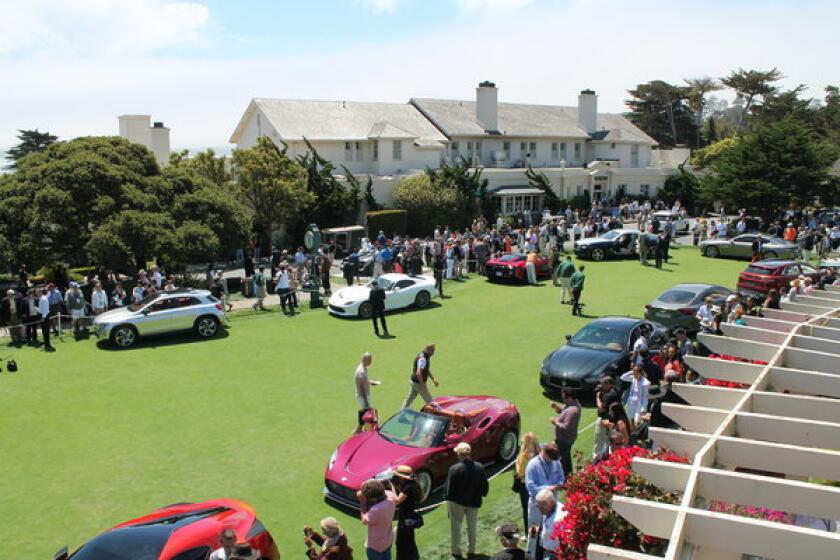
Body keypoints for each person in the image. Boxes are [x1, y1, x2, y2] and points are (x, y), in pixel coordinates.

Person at [445, 442, 489, 560]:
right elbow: (485, 488)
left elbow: (449, 491)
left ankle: (456, 552)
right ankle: (471, 551)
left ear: (459, 454)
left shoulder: (454, 469)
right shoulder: (479, 467)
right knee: (472, 527)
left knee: (456, 527)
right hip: (473, 503)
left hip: (457, 503)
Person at [524, 443, 564, 529]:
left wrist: (560, 484)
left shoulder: (556, 461)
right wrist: (548, 488)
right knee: (534, 530)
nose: (553, 461)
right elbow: (530, 488)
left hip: (552, 502)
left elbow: (561, 477)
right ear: (544, 453)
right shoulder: (532, 465)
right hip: (537, 506)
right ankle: (533, 543)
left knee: (552, 528)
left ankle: (545, 542)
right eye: (551, 458)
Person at [358, 479, 397, 560]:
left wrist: (362, 502)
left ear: (373, 499)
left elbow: (364, 520)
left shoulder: (376, 510)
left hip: (375, 546)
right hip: (388, 539)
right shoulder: (391, 496)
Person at [391, 466, 423, 560]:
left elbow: (397, 500)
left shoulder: (408, 487)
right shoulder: (410, 485)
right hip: (408, 516)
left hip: (405, 519)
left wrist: (391, 487)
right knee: (409, 540)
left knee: (402, 542)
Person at [511, 432, 541, 531]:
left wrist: (516, 464)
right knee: (539, 510)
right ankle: (539, 531)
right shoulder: (540, 454)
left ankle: (530, 535)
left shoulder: (523, 456)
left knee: (527, 511)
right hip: (539, 486)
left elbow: (520, 474)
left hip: (526, 487)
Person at [550, 389, 581, 477]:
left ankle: (567, 477)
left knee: (564, 459)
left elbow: (566, 427)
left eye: (565, 398)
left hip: (564, 439)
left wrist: (555, 422)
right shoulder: (572, 404)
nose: (563, 399)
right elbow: (563, 410)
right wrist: (556, 407)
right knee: (564, 458)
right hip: (565, 438)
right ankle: (567, 476)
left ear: (571, 398)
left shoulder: (572, 411)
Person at [401, 344, 439, 409]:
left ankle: (401, 412)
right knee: (430, 401)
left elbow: (425, 369)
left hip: (414, 381)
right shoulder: (423, 359)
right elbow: (418, 373)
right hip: (418, 383)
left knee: (409, 398)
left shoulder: (422, 355)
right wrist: (422, 385)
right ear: (428, 350)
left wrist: (433, 379)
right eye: (432, 350)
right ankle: (438, 414)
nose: (433, 353)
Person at [593, 376, 621, 458]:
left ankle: (597, 460)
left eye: (603, 385)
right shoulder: (617, 391)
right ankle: (613, 459)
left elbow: (601, 409)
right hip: (615, 421)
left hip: (605, 421)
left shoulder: (608, 395)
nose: (601, 387)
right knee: (612, 443)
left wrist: (598, 397)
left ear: (609, 384)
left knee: (599, 442)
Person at [534, 489, 563, 560]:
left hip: (555, 554)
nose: (540, 510)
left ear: (552, 502)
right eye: (538, 506)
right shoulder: (548, 509)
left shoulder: (559, 518)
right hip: (545, 550)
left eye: (542, 508)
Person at [354, 353, 380, 434]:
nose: (371, 362)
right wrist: (366, 400)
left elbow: (364, 381)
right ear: (364, 360)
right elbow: (361, 388)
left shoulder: (364, 368)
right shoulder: (360, 372)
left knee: (365, 411)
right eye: (369, 360)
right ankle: (360, 429)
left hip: (364, 395)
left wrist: (371, 382)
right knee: (366, 412)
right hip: (362, 396)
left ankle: (359, 429)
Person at [619, 365, 650, 430]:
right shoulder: (633, 378)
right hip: (631, 403)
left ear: (641, 373)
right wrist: (631, 371)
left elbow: (645, 397)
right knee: (630, 420)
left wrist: (643, 408)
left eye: (636, 374)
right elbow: (622, 377)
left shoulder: (646, 383)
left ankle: (639, 435)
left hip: (639, 405)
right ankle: (632, 435)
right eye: (634, 373)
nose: (635, 375)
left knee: (637, 422)